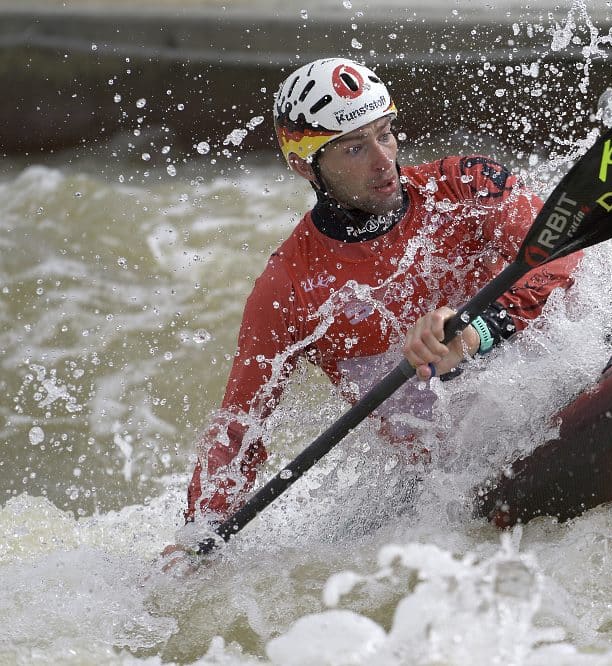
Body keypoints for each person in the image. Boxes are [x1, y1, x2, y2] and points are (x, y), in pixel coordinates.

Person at [180, 57, 581, 531]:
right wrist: (197, 534)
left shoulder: (466, 185)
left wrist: (474, 335)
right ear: (304, 166)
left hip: (557, 392)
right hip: (448, 482)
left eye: (384, 133)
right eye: (353, 148)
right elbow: (238, 431)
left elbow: (561, 251)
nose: (383, 160)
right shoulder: (288, 288)